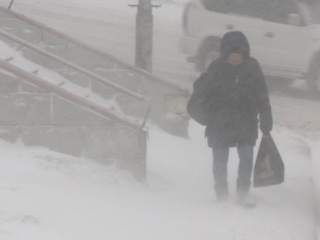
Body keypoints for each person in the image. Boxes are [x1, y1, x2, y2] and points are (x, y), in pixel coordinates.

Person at [203, 31, 273, 205]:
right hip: (220, 123)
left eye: (239, 55)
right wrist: (207, 115)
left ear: (245, 54)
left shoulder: (252, 67)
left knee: (247, 157)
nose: (235, 58)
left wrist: (266, 118)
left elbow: (262, 96)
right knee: (220, 160)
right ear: (225, 54)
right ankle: (221, 194)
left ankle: (243, 192)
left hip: (245, 122)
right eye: (231, 55)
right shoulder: (215, 68)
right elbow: (202, 95)